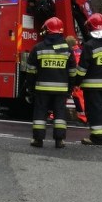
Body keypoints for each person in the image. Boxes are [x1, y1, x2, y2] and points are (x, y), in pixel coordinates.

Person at [25, 17, 77, 148]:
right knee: (60, 114)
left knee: (40, 113)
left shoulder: (38, 48)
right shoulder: (67, 50)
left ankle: (38, 140)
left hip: (41, 89)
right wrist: (70, 88)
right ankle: (59, 141)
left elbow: (30, 71)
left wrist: (31, 88)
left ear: (47, 30)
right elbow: (72, 72)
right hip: (61, 90)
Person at [75, 13, 102, 145]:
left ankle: (97, 138)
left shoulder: (90, 45)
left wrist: (75, 82)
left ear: (91, 27)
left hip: (91, 86)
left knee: (94, 111)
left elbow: (82, 69)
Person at [65, 35, 88, 124]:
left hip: (73, 78)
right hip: (79, 78)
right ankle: (83, 117)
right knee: (79, 98)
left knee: (63, 97)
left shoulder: (70, 52)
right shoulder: (80, 51)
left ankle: (83, 118)